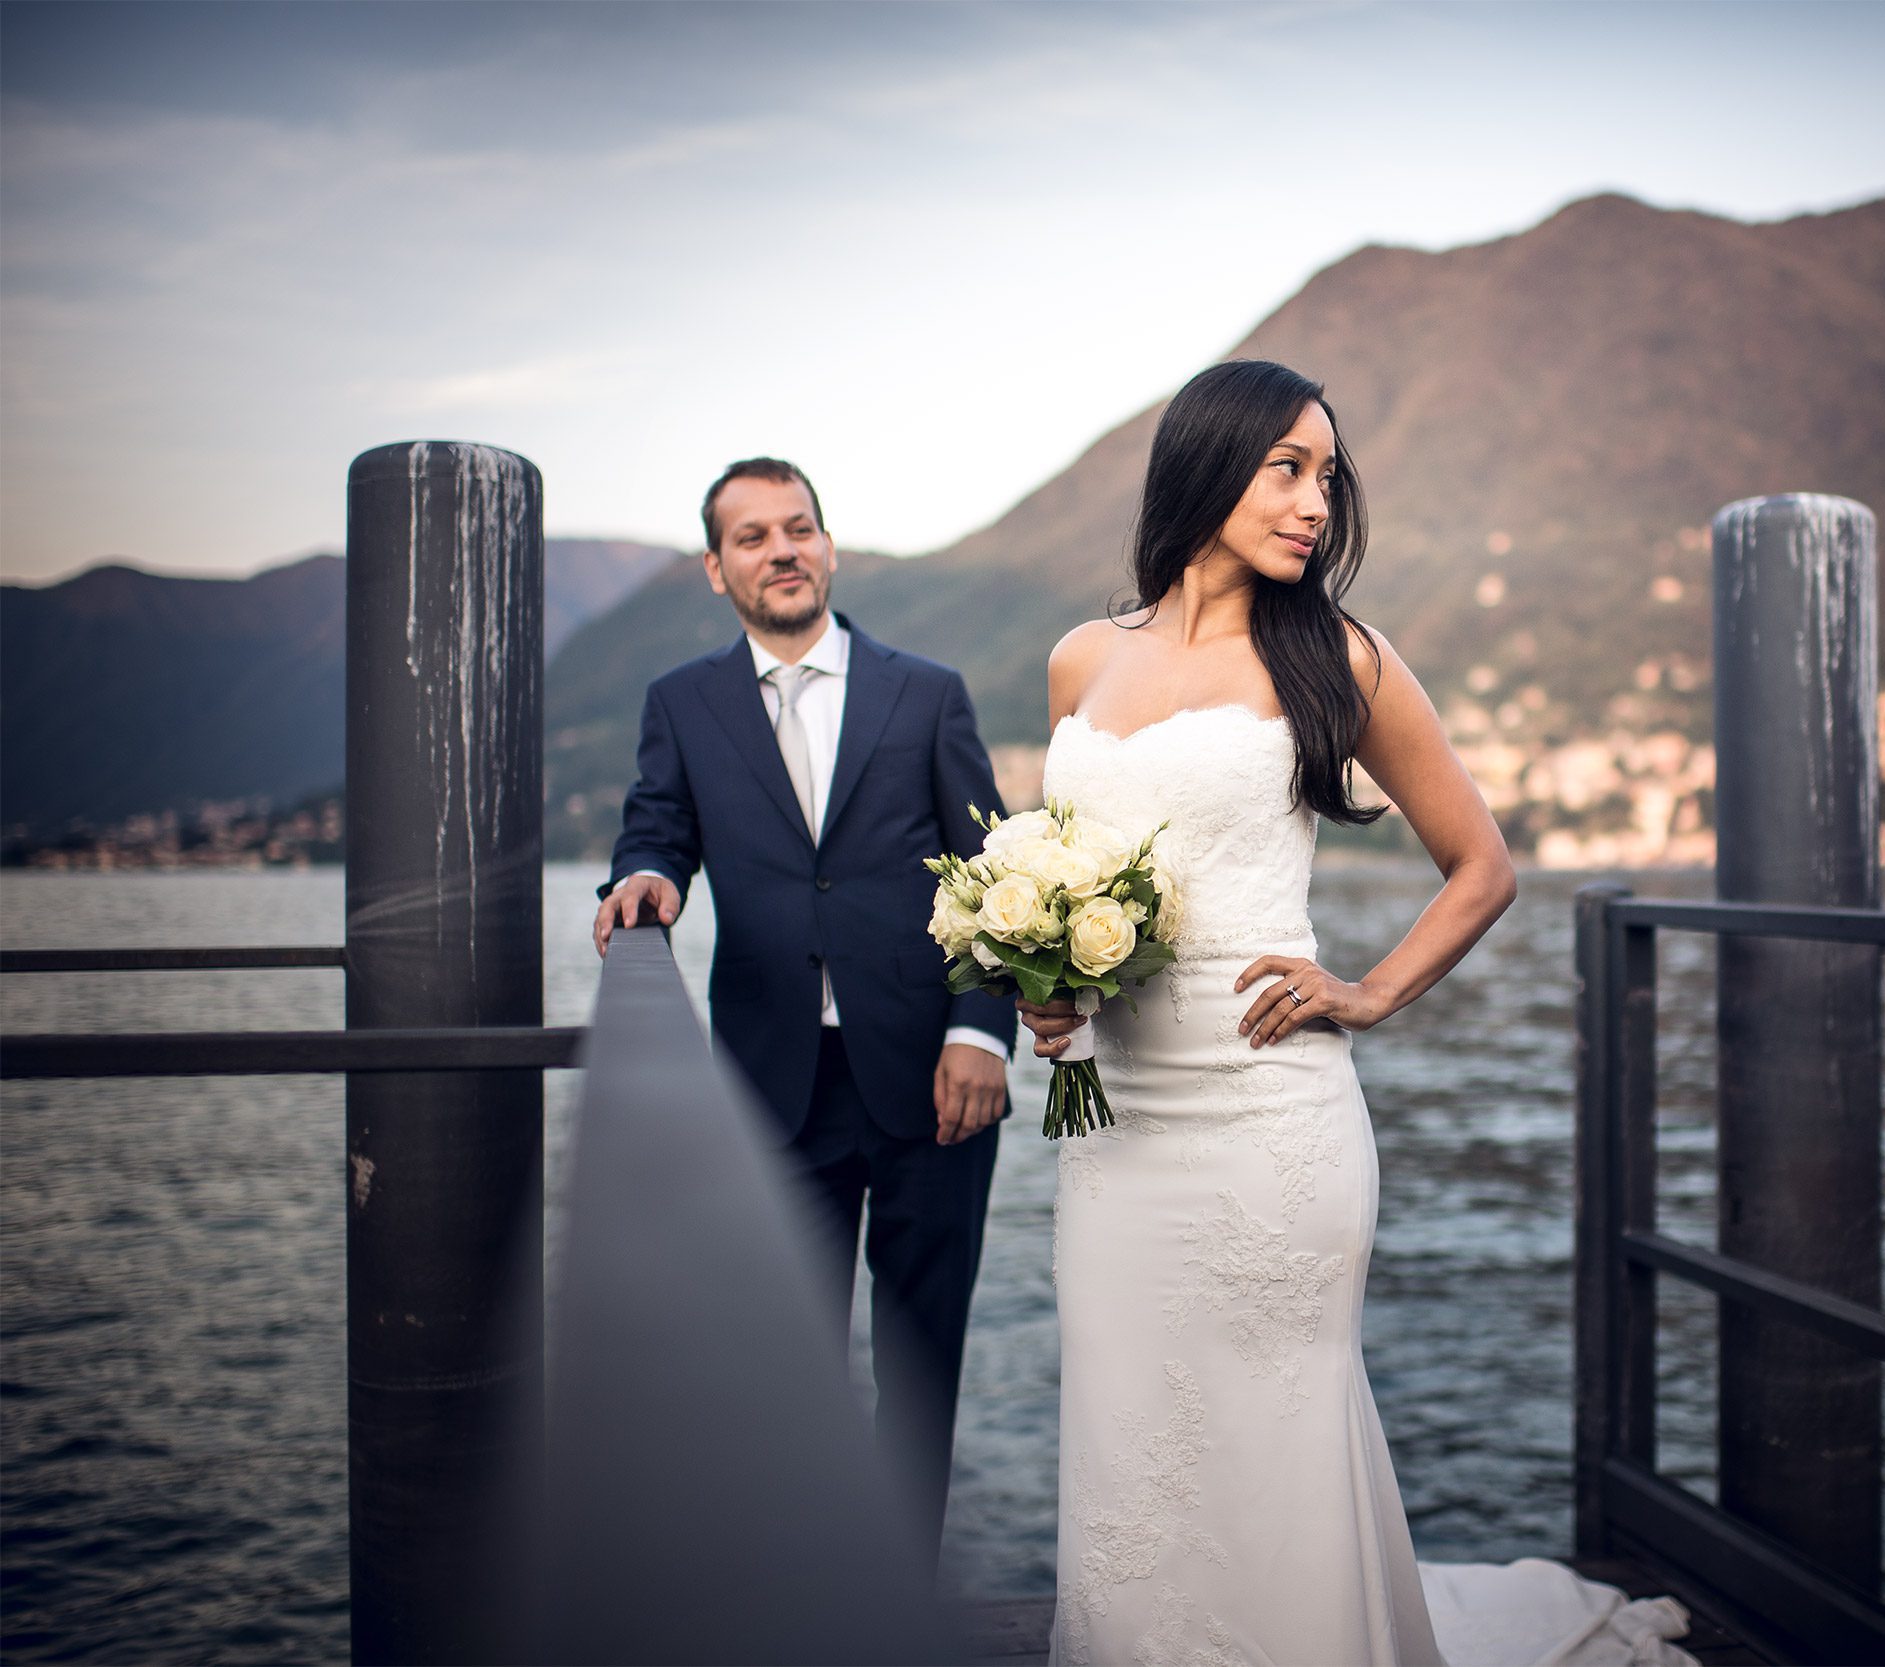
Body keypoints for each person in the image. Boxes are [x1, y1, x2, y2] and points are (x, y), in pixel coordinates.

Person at [1020, 363, 1697, 1666]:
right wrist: (1050, 986)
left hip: (1274, 1118)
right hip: (1118, 1129)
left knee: (1275, 1437)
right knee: (1128, 1430)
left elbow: (1483, 866)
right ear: (1207, 464)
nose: (1316, 499)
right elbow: (1070, 875)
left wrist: (1370, 988)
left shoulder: (1338, 655)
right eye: (1287, 465)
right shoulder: (1080, 658)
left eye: (1328, 473)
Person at [591, 456, 1016, 1560]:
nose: (781, 549)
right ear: (716, 569)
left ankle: (899, 1606)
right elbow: (657, 827)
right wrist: (647, 879)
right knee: (783, 1379)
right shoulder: (680, 703)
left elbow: (993, 871)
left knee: (922, 1376)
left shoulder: (927, 692)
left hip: (933, 1083)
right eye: (753, 537)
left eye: (799, 528)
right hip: (772, 1087)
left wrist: (979, 1028)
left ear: (827, 546)